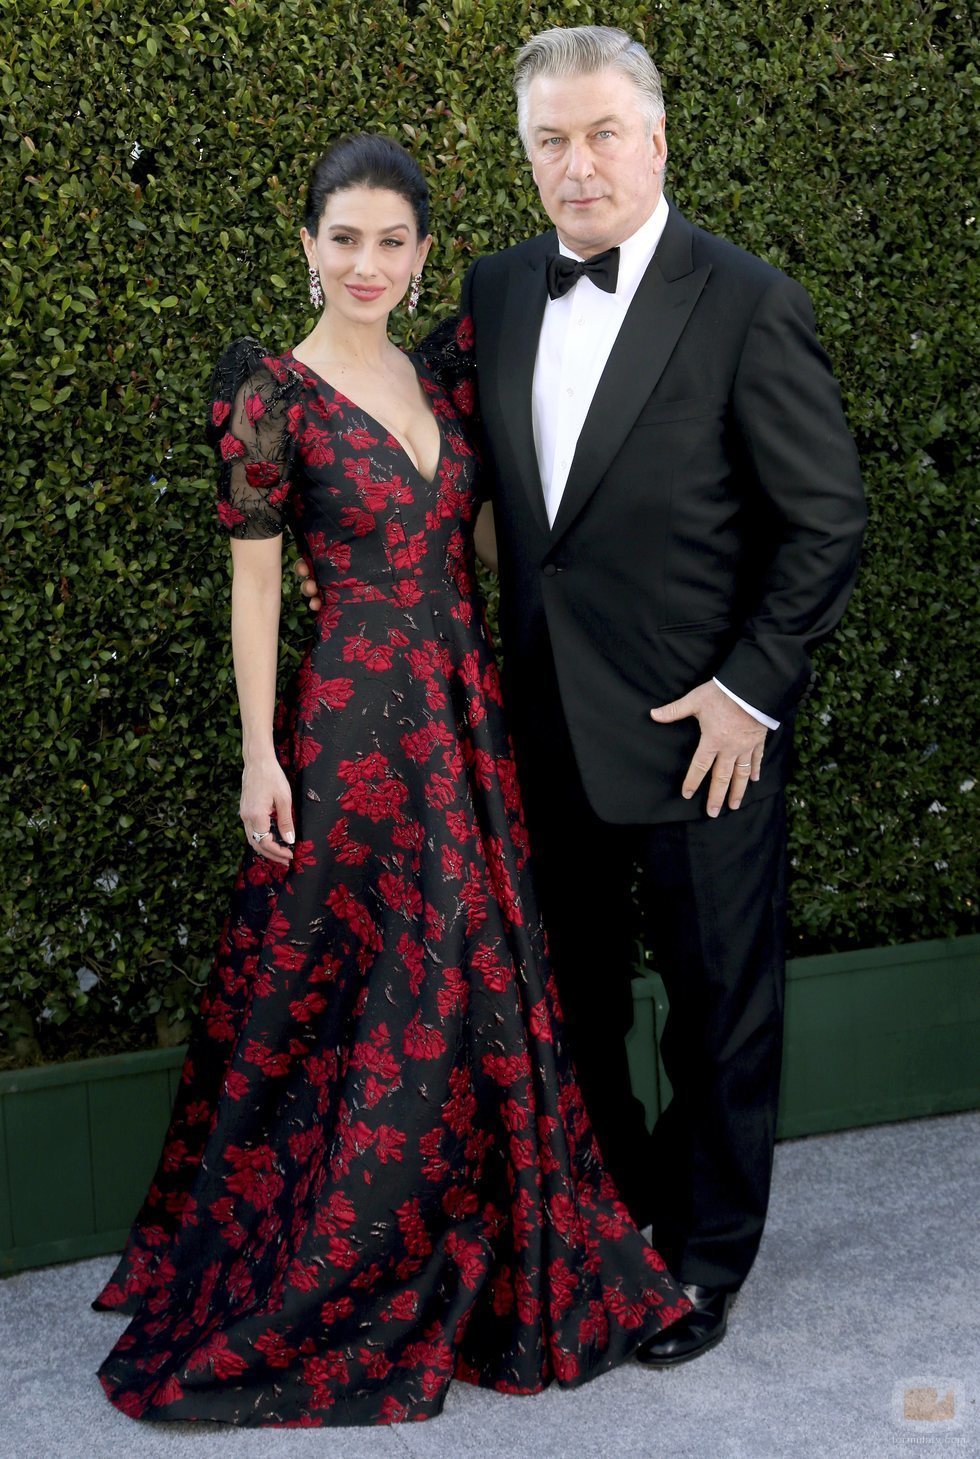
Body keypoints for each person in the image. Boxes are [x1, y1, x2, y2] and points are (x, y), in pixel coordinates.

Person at [91, 133, 690, 1428]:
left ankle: (474, 1228)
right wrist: (259, 754)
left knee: (470, 972)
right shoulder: (273, 394)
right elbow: (258, 586)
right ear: (308, 245)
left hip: (465, 718)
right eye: (345, 238)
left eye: (392, 241)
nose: (367, 263)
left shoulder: (445, 379)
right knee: (362, 987)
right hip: (352, 732)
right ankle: (348, 1247)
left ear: (421, 255)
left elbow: (503, 533)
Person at [296, 27, 868, 1369]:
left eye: (604, 133)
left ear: (655, 141)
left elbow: (826, 521)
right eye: (551, 139)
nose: (580, 164)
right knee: (577, 1005)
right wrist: (312, 498)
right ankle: (611, 1231)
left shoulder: (747, 301)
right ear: (527, 155)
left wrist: (749, 694)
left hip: (702, 735)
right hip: (541, 728)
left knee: (721, 1010)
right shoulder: (497, 291)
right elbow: (410, 432)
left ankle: (706, 1259)